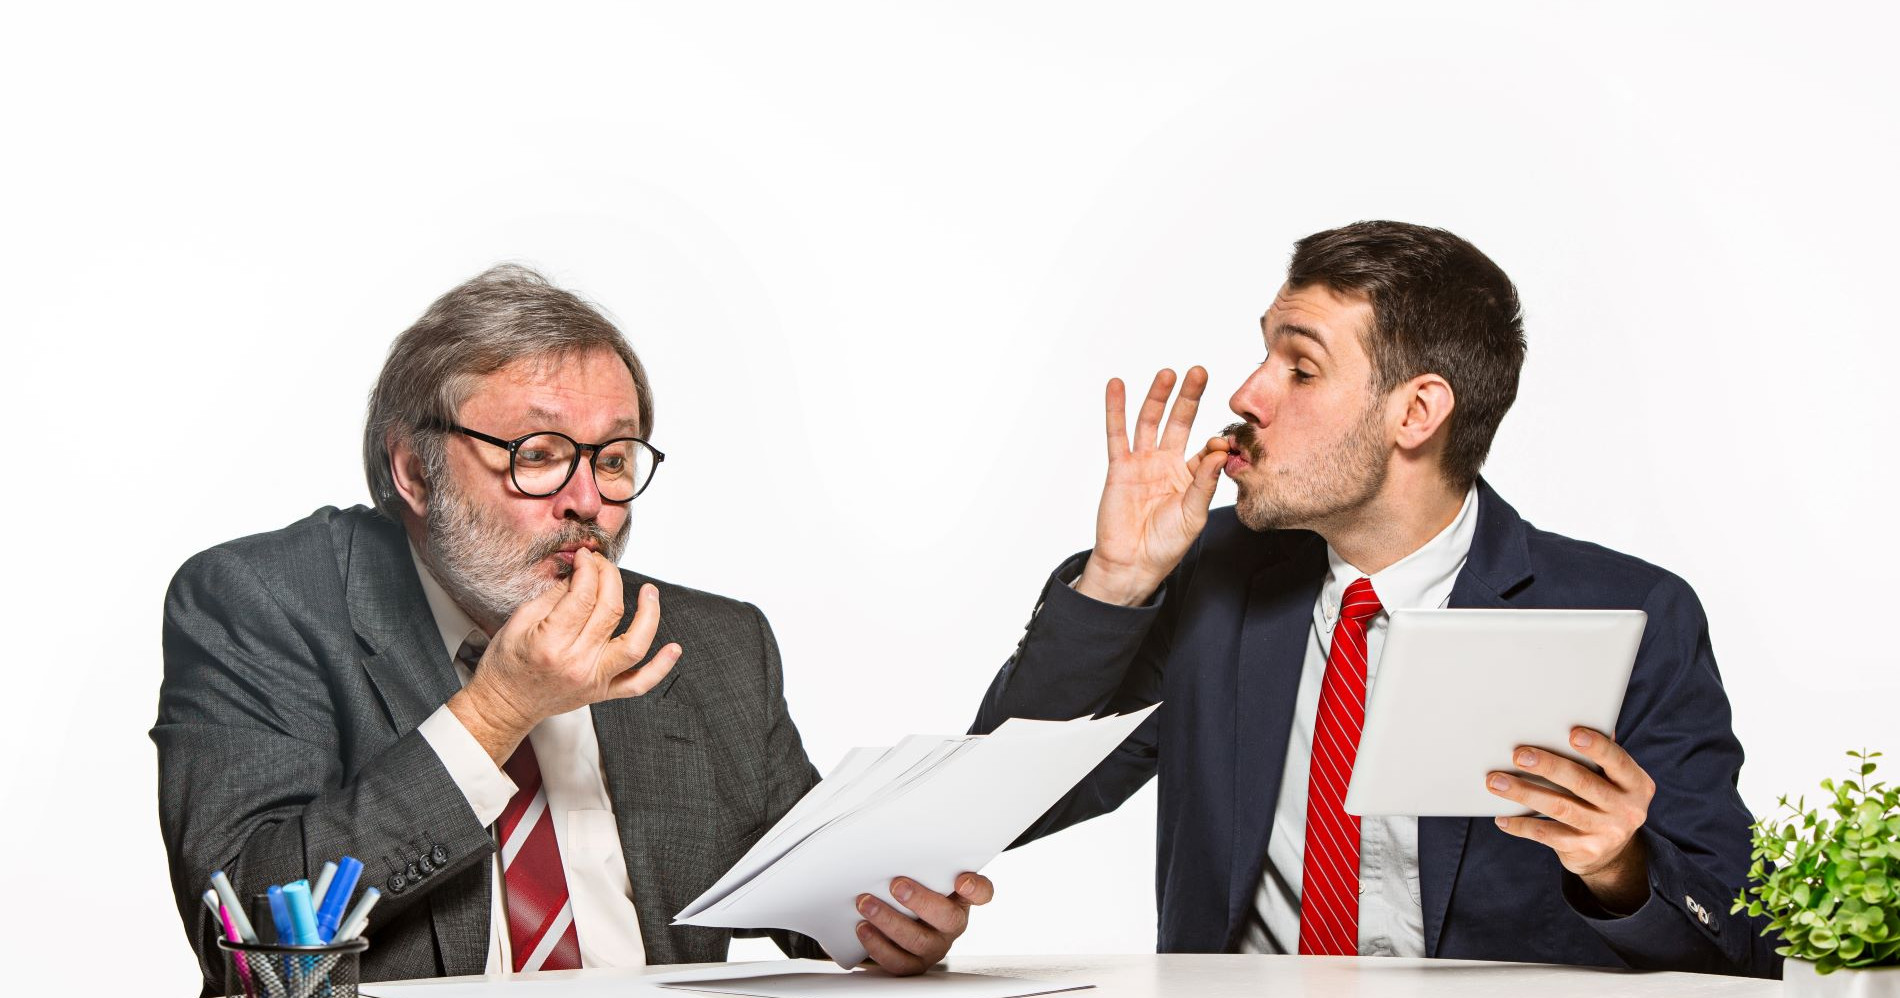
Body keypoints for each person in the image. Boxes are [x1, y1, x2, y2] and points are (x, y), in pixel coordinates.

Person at [155, 265, 990, 992]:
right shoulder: (259, 601)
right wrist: (494, 715)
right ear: (414, 470)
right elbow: (248, 944)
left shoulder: (713, 644)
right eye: (540, 453)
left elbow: (817, 899)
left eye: (616, 458)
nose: (587, 502)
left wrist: (887, 922)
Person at [973, 221, 1777, 976]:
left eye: (1300, 368)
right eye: (1263, 357)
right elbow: (1004, 800)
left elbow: (1746, 945)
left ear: (1416, 412)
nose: (1247, 396)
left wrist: (1619, 867)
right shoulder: (1204, 574)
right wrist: (1117, 580)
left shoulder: (1629, 615)